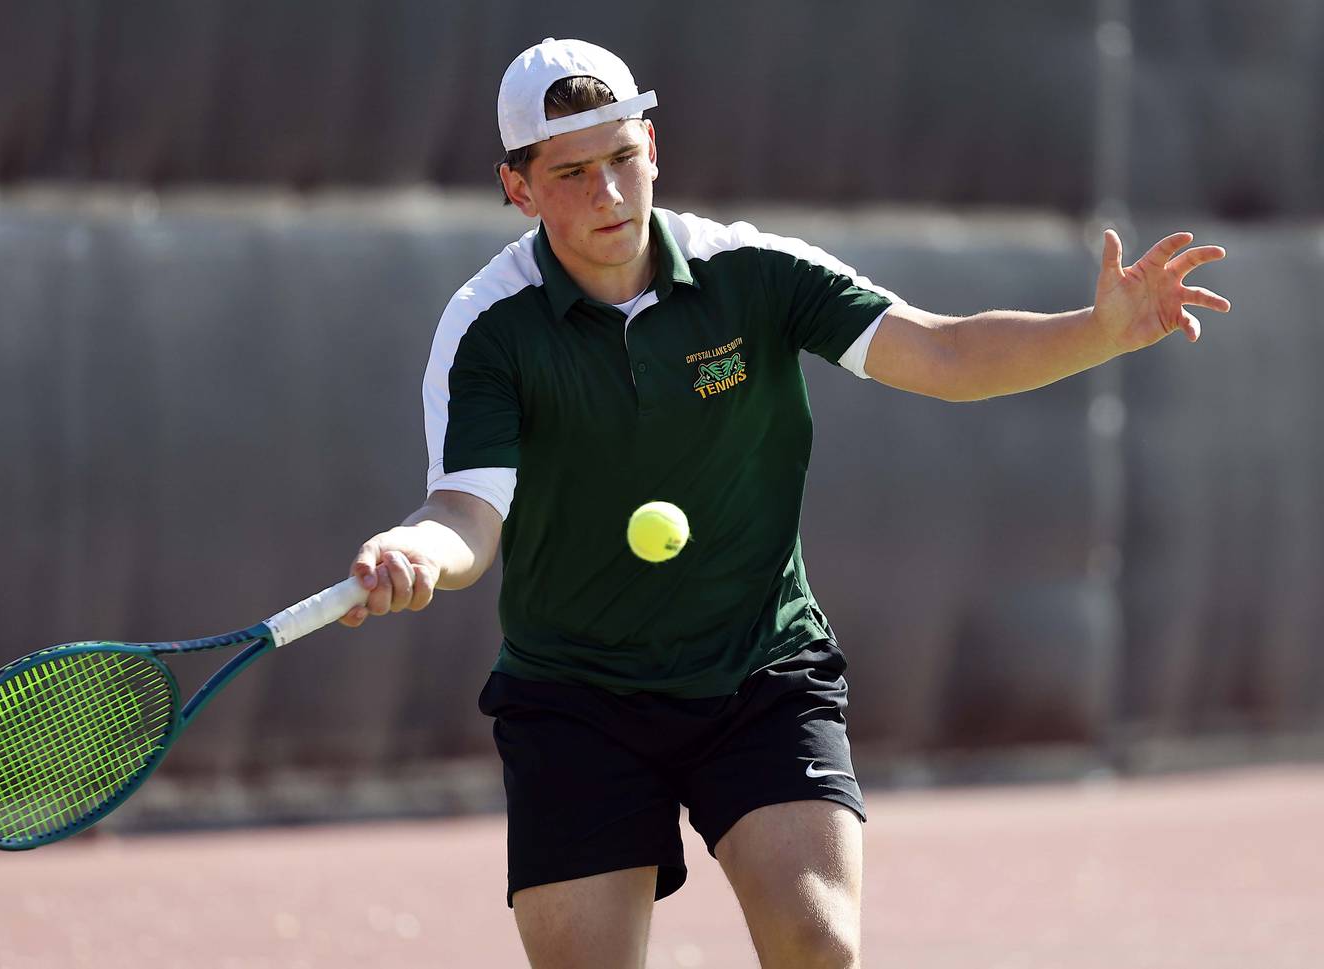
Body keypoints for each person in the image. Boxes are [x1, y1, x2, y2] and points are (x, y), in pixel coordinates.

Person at [337, 37, 1231, 969]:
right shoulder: (487, 327)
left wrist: (1100, 331)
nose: (608, 193)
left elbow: (943, 351)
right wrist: (414, 553)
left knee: (817, 943)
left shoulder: (752, 271)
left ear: (653, 147)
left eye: (622, 157)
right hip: (576, 693)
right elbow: (466, 514)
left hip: (758, 671)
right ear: (517, 187)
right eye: (570, 173)